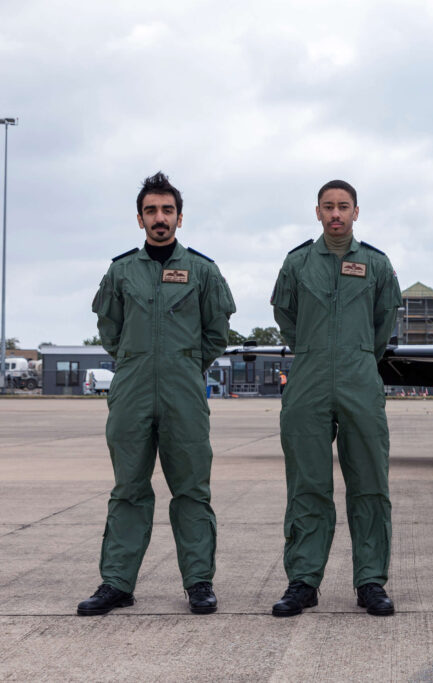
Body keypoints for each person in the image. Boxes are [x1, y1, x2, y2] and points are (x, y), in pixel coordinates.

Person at [79, 172, 235, 616]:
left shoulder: (203, 271)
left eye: (167, 210)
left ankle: (199, 583)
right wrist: (136, 360)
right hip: (131, 392)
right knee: (128, 488)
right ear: (140, 218)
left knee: (191, 489)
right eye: (151, 210)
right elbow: (109, 329)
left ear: (180, 218)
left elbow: (216, 334)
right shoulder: (121, 270)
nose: (160, 218)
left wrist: (182, 364)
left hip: (183, 392)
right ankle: (117, 583)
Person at [270, 179, 402, 617]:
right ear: (318, 211)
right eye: (328, 207)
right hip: (307, 379)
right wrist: (312, 348)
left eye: (344, 207)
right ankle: (303, 581)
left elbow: (383, 323)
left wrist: (359, 353)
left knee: (369, 484)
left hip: (360, 379)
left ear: (356, 212)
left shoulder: (377, 265)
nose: (336, 215)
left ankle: (370, 582)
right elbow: (285, 316)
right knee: (307, 485)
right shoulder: (297, 264)